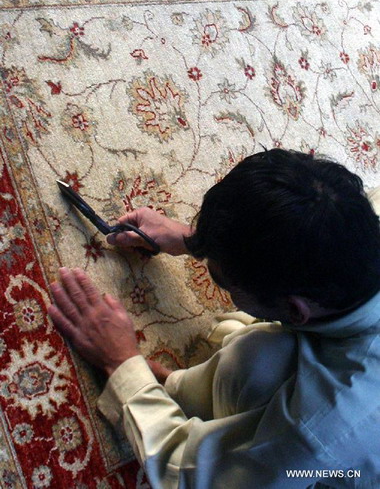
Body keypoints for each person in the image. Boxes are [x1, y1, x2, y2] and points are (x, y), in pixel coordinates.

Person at [48, 149, 380, 489]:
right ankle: (176, 387)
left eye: (221, 279)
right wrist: (197, 240)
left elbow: (190, 477)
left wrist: (120, 363)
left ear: (296, 311)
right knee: (257, 356)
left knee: (256, 361)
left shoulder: (324, 426)